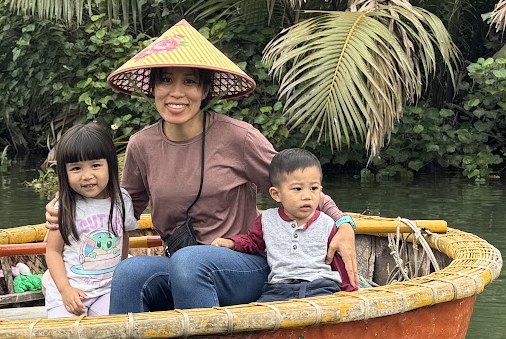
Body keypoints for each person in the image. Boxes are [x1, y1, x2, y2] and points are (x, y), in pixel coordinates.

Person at [48, 19, 355, 312]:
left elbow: (296, 185)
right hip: (179, 261)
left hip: (243, 263)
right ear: (152, 87)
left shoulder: (239, 137)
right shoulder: (141, 144)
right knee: (130, 270)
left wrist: (342, 223)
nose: (177, 92)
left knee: (190, 262)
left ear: (205, 90)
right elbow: (118, 206)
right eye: (166, 80)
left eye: (190, 82)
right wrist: (67, 203)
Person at [212, 148, 359, 301]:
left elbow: (340, 264)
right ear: (276, 194)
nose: (307, 196)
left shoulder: (327, 224)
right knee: (260, 318)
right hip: (278, 289)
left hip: (320, 287)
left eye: (314, 188)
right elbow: (253, 242)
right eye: (297, 189)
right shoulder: (266, 220)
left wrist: (352, 292)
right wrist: (231, 242)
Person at [43, 122, 139, 318]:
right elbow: (52, 251)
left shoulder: (122, 200)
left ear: (110, 165)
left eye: (96, 165)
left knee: (119, 327)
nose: (87, 176)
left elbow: (124, 237)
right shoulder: (64, 206)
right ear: (65, 172)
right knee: (65, 336)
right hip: (70, 292)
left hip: (108, 290)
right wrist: (65, 289)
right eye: (76, 168)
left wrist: (120, 276)